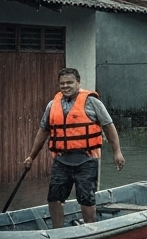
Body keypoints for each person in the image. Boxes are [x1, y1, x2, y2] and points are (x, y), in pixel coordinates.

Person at [23, 68, 125, 228]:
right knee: (54, 198)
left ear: (78, 83)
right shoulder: (52, 105)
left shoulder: (92, 103)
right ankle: (58, 232)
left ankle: (90, 230)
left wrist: (117, 152)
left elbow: (108, 126)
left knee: (86, 198)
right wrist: (31, 157)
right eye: (62, 83)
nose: (65, 86)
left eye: (69, 82)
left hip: (86, 159)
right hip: (61, 160)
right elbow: (43, 131)